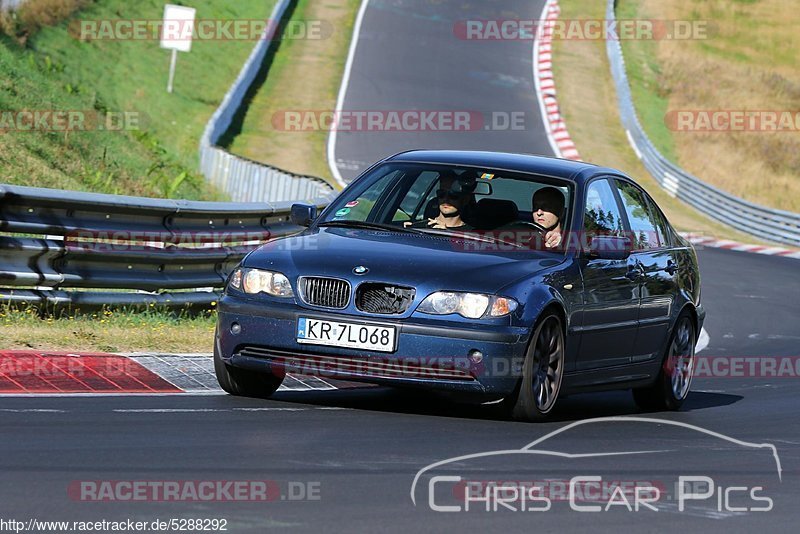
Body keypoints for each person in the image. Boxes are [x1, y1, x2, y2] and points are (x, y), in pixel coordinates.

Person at [410, 171, 476, 230]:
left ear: (465, 200)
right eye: (441, 194)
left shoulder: (471, 234)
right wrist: (406, 229)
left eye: (453, 195)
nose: (445, 199)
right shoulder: (421, 227)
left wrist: (447, 232)